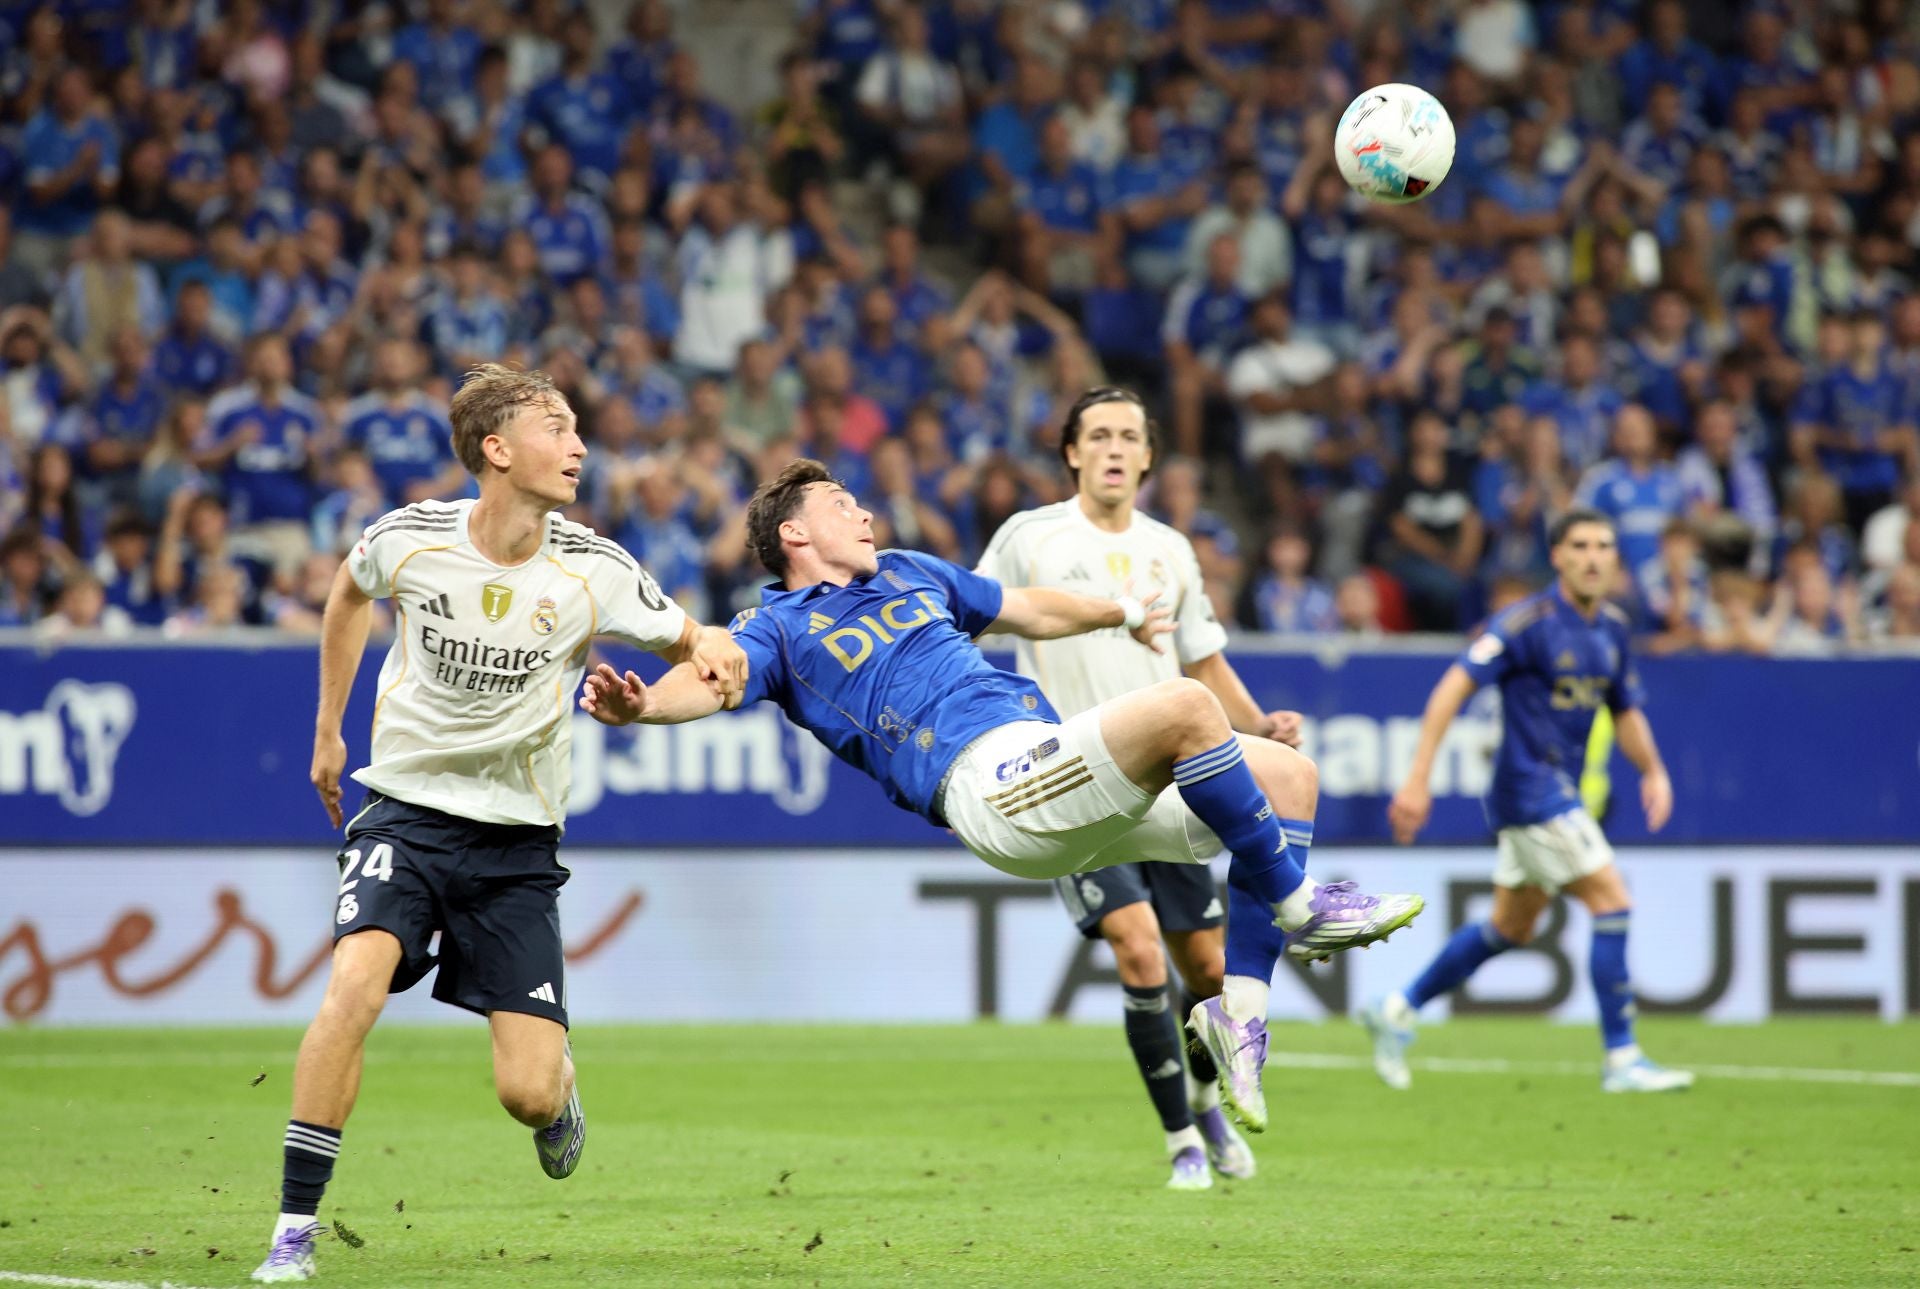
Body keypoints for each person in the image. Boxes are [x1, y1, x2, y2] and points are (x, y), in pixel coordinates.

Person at [581, 458, 1426, 1136]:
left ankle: (1236, 1014)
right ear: (795, 532)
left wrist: (1119, 608)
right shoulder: (776, 629)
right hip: (990, 787)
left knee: (1288, 775)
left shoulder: (911, 572)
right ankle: (1303, 903)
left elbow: (1027, 607)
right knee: (1187, 708)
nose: (865, 513)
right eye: (843, 503)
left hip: (1057, 775)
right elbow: (711, 681)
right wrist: (645, 705)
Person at [249, 364, 747, 1283]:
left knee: (523, 1093)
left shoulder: (593, 567)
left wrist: (695, 677)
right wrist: (327, 727)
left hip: (517, 841)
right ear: (497, 449)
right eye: (557, 428)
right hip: (404, 812)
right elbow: (349, 593)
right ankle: (292, 1231)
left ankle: (560, 1096)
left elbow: (702, 645)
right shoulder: (411, 538)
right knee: (351, 989)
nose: (579, 447)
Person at [975, 388, 1319, 1189]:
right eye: (1098, 435)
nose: (1114, 448)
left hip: (1171, 786)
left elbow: (1200, 661)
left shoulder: (1171, 549)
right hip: (1072, 781)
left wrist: (1257, 725)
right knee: (1137, 950)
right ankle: (1182, 1143)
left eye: (1129, 435)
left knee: (1205, 970)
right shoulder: (1030, 537)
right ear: (1071, 452)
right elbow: (975, 613)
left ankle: (1203, 1103)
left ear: (1149, 455)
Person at [1364, 509, 1694, 1096]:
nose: (1594, 557)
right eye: (1581, 546)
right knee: (1612, 901)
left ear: (1615, 559)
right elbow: (1451, 688)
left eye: (1604, 547)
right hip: (1531, 788)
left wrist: (1655, 771)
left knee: (1511, 926)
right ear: (1559, 557)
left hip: (1552, 791)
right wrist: (1418, 779)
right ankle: (1622, 1057)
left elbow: (1625, 711)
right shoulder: (1525, 622)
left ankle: (1397, 1007)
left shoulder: (1612, 628)